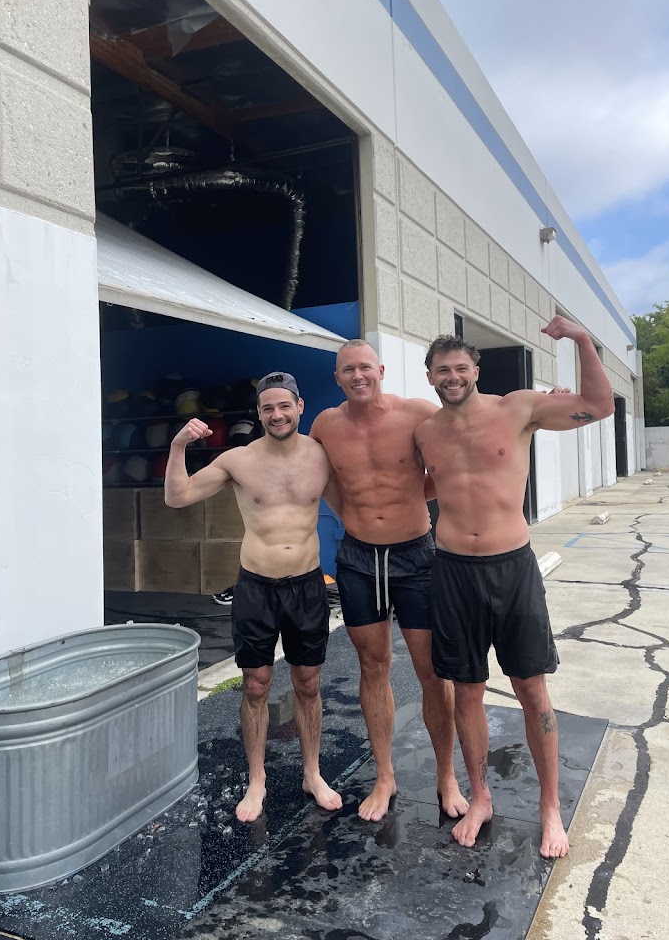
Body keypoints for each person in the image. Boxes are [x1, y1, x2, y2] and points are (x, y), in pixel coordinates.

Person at [415, 316, 615, 858]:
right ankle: (481, 797)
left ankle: (550, 808)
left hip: (512, 568)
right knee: (467, 691)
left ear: (476, 371)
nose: (452, 376)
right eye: (442, 370)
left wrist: (582, 339)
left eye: (461, 367)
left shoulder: (518, 409)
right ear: (430, 377)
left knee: (531, 688)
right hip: (452, 570)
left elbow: (599, 406)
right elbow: (421, 483)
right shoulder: (426, 432)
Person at [164, 371, 343, 824]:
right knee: (256, 684)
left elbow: (358, 502)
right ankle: (257, 778)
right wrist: (179, 445)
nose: (277, 414)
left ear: (300, 407)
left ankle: (312, 773)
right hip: (257, 587)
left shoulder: (322, 456)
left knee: (308, 683)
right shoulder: (238, 460)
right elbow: (177, 497)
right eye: (268, 408)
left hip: (307, 585)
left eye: (284, 406)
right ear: (259, 413)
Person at [311, 340, 468, 823]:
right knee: (372, 666)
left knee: (431, 671)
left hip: (415, 556)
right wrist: (354, 515)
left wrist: (413, 493)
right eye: (347, 370)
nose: (357, 376)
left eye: (365, 367)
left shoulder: (417, 414)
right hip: (359, 559)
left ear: (380, 370)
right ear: (337, 378)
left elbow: (454, 458)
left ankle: (446, 775)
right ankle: (385, 775)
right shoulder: (325, 425)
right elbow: (326, 478)